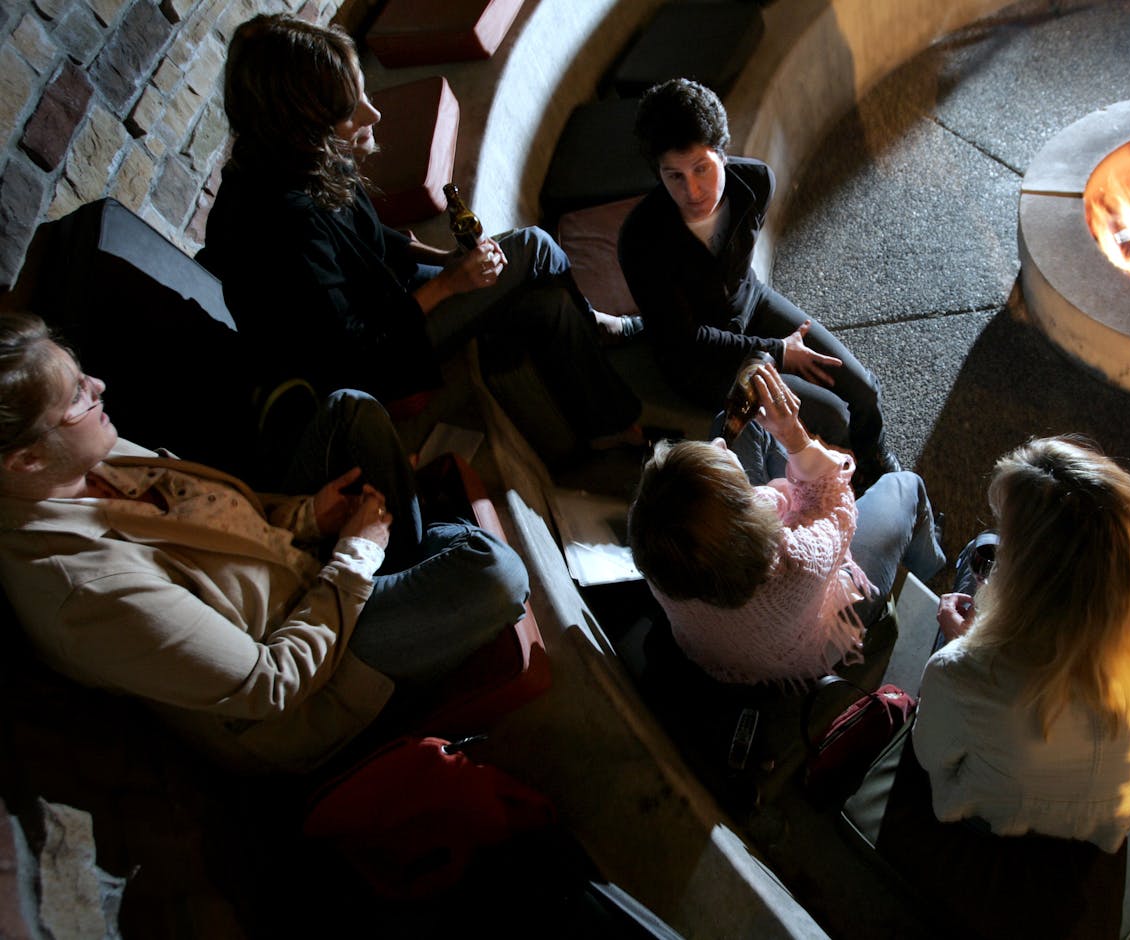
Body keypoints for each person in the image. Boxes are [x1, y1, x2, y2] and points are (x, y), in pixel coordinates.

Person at [0, 312, 529, 774]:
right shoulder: (85, 592)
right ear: (27, 459)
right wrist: (357, 553)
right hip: (304, 669)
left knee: (351, 411)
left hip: (291, 566)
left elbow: (213, 521)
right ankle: (415, 594)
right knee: (496, 573)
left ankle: (415, 585)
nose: (98, 386)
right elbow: (270, 683)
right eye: (75, 396)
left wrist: (305, 517)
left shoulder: (83, 461)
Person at [199, 13, 643, 450]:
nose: (374, 112)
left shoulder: (304, 156)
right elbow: (352, 353)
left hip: (392, 301)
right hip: (381, 361)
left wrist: (446, 260)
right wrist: (451, 285)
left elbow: (377, 241)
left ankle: (606, 425)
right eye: (351, 109)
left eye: (362, 92)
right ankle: (598, 338)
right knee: (533, 247)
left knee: (550, 304)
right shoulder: (281, 225)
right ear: (306, 126)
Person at [913, 435, 1130, 853]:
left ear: (1031, 585)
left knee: (979, 549)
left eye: (1011, 549)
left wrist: (967, 644)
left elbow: (932, 758)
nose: (1004, 557)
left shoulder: (958, 672)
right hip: (1105, 827)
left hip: (990, 822)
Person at [618, 78, 898, 493]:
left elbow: (735, 270)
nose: (692, 190)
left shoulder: (755, 184)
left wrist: (771, 341)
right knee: (831, 414)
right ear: (657, 173)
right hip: (700, 358)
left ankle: (872, 452)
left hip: (750, 302)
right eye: (673, 176)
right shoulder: (640, 240)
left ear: (722, 154)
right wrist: (779, 351)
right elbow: (686, 341)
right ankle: (841, 487)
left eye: (701, 168)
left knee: (862, 388)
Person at [627, 363, 944, 686]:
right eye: (719, 456)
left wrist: (780, 482)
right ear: (749, 521)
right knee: (905, 486)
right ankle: (928, 563)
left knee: (736, 423)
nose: (719, 444)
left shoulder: (654, 535)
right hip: (799, 638)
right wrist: (794, 435)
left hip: (720, 635)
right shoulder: (798, 562)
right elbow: (835, 501)